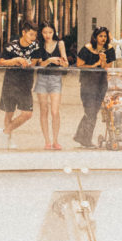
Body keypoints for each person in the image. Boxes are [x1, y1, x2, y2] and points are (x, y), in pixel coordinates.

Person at [0, 20, 39, 147]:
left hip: (26, 84)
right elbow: (1, 62)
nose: (33, 38)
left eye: (34, 36)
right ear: (23, 32)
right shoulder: (10, 46)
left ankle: (5, 132)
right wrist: (15, 60)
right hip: (10, 83)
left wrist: (30, 62)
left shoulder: (36, 46)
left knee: (27, 113)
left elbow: (35, 62)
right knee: (9, 112)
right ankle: (8, 139)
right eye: (30, 35)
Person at [74, 26, 114, 148]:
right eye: (100, 36)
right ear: (95, 37)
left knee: (93, 111)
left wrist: (103, 62)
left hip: (101, 83)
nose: (103, 38)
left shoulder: (109, 50)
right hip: (87, 83)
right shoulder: (87, 49)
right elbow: (79, 65)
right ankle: (85, 139)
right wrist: (95, 65)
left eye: (105, 36)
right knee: (90, 111)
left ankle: (80, 136)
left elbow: (108, 67)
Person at [34, 19, 69, 151]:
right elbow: (39, 64)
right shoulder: (38, 45)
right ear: (41, 33)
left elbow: (66, 62)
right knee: (44, 110)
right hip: (42, 78)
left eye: (50, 32)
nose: (47, 35)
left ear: (54, 32)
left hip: (55, 78)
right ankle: (47, 141)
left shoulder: (60, 43)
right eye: (45, 32)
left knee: (55, 111)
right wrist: (49, 60)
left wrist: (62, 62)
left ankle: (55, 140)